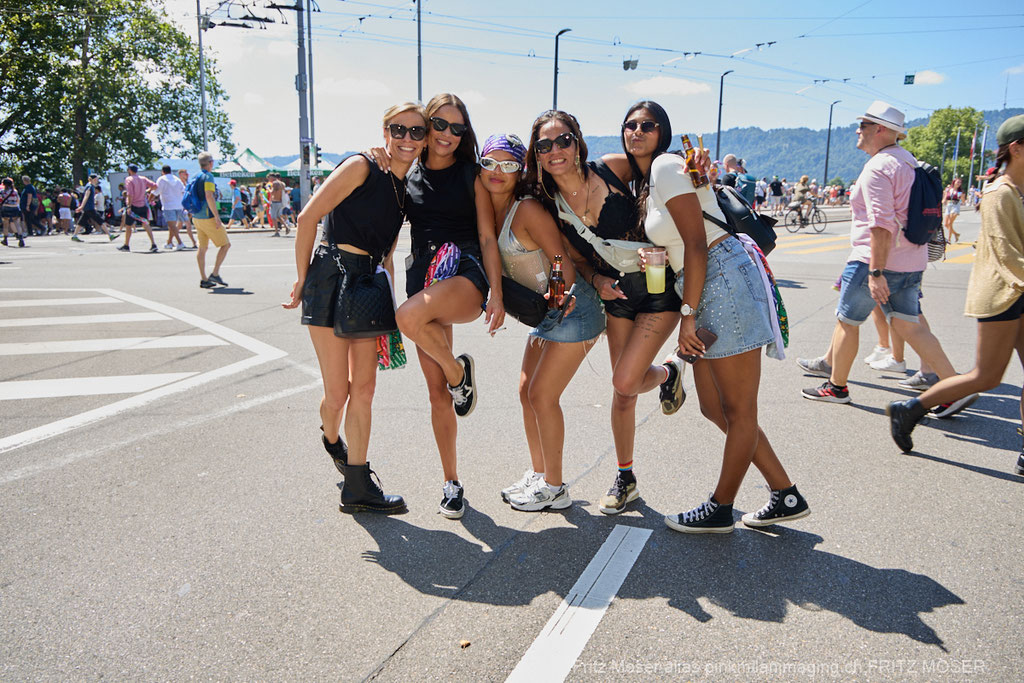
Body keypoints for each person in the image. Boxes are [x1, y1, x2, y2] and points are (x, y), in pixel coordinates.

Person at [632, 105, 808, 533]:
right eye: (630, 124)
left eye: (648, 125)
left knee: (739, 408)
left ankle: (720, 508)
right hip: (702, 280)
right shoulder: (655, 179)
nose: (637, 131)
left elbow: (696, 243)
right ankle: (785, 494)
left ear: (664, 133)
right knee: (715, 407)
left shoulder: (665, 166)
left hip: (720, 278)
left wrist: (687, 317)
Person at [522, 105, 683, 516]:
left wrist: (696, 174)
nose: (555, 149)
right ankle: (625, 476)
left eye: (563, 140)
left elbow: (663, 182)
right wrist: (597, 283)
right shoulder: (550, 202)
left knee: (626, 381)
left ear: (578, 143)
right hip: (618, 294)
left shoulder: (612, 168)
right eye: (544, 144)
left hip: (658, 281)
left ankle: (669, 372)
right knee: (623, 389)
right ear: (536, 154)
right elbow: (576, 258)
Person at [282, 103, 425, 514]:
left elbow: (388, 254)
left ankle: (358, 485)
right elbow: (309, 218)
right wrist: (301, 277)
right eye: (399, 130)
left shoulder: (406, 190)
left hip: (368, 284)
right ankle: (331, 440)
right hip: (331, 276)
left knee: (365, 389)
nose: (407, 139)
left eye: (417, 133)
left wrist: (392, 303)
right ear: (385, 131)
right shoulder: (362, 165)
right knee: (338, 392)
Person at [376, 93, 503, 520]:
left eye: (457, 128)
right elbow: (389, 236)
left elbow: (487, 237)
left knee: (406, 317)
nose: (448, 134)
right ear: (426, 126)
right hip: (422, 276)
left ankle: (458, 372)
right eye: (440, 125)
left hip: (465, 273)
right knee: (436, 395)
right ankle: (451, 483)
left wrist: (497, 294)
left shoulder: (472, 174)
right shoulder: (407, 174)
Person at [801, 101, 973, 413]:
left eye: (864, 125)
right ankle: (954, 386)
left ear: (881, 130)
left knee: (847, 321)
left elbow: (881, 226)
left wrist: (876, 272)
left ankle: (836, 386)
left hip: (875, 259)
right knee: (909, 325)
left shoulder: (878, 168)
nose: (858, 130)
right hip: (913, 259)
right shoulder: (910, 162)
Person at [887, 115, 1024, 469]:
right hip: (1002, 294)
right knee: (987, 376)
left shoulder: (1018, 191)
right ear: (1017, 148)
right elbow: (1006, 252)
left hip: (1018, 289)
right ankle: (910, 410)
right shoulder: (999, 194)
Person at [479, 133, 603, 512]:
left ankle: (555, 486)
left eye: (509, 165)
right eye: (489, 163)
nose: (497, 172)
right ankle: (539, 473)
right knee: (525, 392)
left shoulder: (527, 209)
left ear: (521, 171)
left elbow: (559, 256)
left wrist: (562, 294)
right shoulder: (486, 199)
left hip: (573, 309)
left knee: (542, 396)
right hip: (548, 314)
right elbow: (487, 242)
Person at [191, 152, 231, 289]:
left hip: (196, 217)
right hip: (208, 216)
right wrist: (217, 216)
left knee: (202, 248)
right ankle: (215, 273)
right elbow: (209, 196)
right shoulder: (208, 177)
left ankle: (204, 278)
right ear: (211, 163)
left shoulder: (196, 176)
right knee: (225, 245)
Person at [119, 164, 159, 253]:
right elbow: (155, 186)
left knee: (128, 226)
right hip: (142, 204)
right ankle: (153, 243)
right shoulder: (143, 179)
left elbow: (130, 194)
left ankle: (126, 245)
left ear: (129, 170)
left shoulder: (129, 179)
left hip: (133, 205)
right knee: (145, 224)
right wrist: (146, 191)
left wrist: (128, 206)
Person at [72, 174, 115, 242]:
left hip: (88, 208)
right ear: (94, 179)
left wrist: (82, 207)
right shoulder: (90, 187)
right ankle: (110, 235)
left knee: (81, 222)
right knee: (100, 220)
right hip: (89, 208)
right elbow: (86, 196)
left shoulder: (89, 186)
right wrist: (82, 206)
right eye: (97, 179)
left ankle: (74, 236)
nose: (97, 180)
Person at [155, 165, 188, 249]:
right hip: (178, 205)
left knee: (172, 225)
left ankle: (180, 242)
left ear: (163, 171)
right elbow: (183, 191)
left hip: (168, 205)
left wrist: (150, 199)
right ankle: (169, 242)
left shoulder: (161, 179)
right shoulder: (177, 179)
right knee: (172, 225)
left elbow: (156, 191)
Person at [176, 169, 198, 249]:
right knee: (188, 224)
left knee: (179, 226)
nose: (187, 175)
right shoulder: (178, 183)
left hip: (185, 207)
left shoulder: (187, 183)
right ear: (180, 174)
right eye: (185, 173)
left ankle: (170, 240)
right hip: (180, 207)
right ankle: (194, 242)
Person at [1, 177, 24, 247]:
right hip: (14, 208)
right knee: (17, 223)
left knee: (5, 224)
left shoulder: (2, 191)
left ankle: (5, 239)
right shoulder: (15, 191)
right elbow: (18, 200)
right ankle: (21, 239)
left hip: (6, 207)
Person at [943, 177, 964, 243]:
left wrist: (962, 197)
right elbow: (945, 197)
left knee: (950, 223)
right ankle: (956, 234)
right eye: (958, 182)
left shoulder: (960, 192)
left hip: (955, 206)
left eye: (960, 182)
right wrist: (943, 200)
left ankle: (949, 239)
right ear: (954, 182)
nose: (959, 183)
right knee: (946, 224)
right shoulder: (949, 189)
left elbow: (963, 201)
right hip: (948, 205)